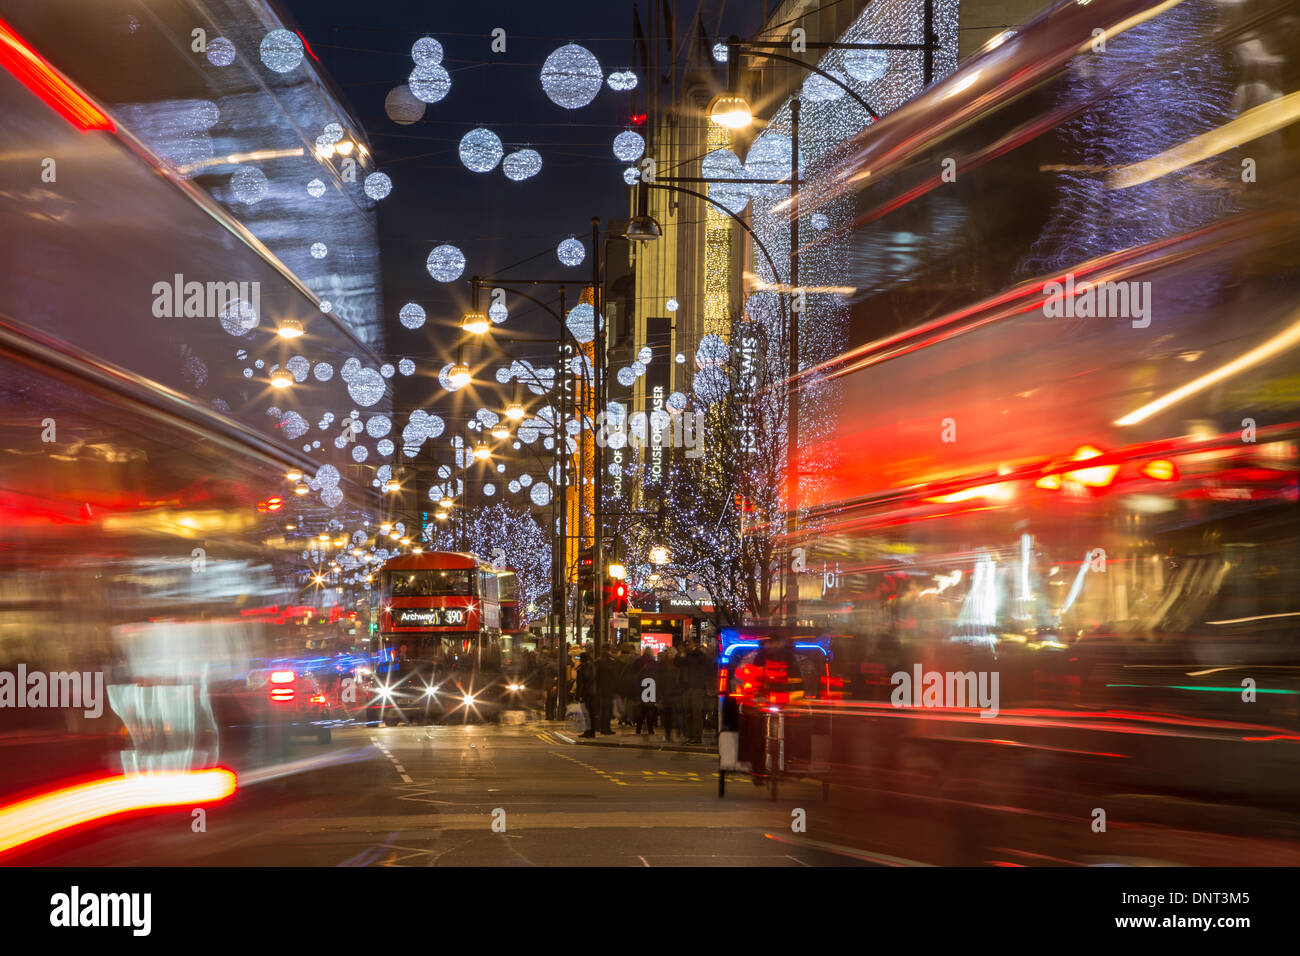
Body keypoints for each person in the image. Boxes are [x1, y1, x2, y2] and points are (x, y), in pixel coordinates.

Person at [679, 640, 711, 744]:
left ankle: (697, 737)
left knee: (696, 713)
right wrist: (683, 653)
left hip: (697, 687)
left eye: (690, 645)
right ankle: (689, 736)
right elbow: (677, 662)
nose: (688, 647)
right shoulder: (685, 656)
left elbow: (701, 659)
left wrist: (693, 650)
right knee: (688, 713)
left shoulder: (698, 655)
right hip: (687, 687)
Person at [656, 647, 682, 742]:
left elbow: (660, 681)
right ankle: (677, 733)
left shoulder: (663, 665)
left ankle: (669, 734)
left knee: (668, 715)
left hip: (668, 694)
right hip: (674, 694)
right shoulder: (678, 665)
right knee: (675, 714)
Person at [595, 645, 622, 735]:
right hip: (609, 688)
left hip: (601, 688)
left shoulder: (598, 661)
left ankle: (602, 727)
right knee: (607, 709)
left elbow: (595, 676)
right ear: (609, 650)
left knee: (602, 709)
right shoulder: (612, 661)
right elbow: (615, 676)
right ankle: (606, 728)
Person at [633, 647, 657, 735]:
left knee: (641, 709)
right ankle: (650, 729)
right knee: (650, 708)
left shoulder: (638, 661)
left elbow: (634, 673)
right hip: (651, 686)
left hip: (641, 685)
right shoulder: (653, 662)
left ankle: (638, 729)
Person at [574, 652, 596, 737]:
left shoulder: (581, 669)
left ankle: (587, 731)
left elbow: (580, 684)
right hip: (593, 692)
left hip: (585, 693)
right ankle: (592, 732)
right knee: (592, 713)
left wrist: (577, 696)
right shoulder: (593, 667)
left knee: (585, 713)